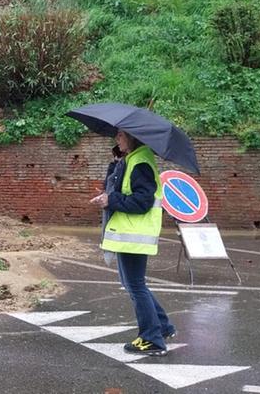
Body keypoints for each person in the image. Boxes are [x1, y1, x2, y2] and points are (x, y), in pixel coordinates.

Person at [89, 129, 175, 357]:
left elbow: (143, 201)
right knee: (133, 284)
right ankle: (163, 326)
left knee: (135, 285)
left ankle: (151, 339)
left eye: (120, 135)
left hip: (134, 235)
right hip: (128, 233)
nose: (116, 139)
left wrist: (111, 199)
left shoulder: (140, 163)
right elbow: (118, 189)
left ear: (133, 138)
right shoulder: (132, 160)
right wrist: (116, 164)